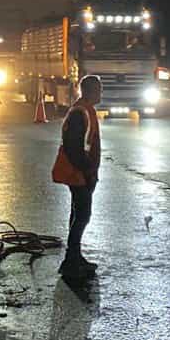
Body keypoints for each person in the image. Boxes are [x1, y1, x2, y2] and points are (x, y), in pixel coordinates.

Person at [51, 75, 103, 278]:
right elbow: (75, 147)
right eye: (99, 89)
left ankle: (74, 256)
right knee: (82, 215)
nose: (101, 93)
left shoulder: (85, 110)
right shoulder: (80, 112)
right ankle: (71, 261)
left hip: (82, 172)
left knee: (78, 213)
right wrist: (87, 171)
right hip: (78, 173)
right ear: (89, 91)